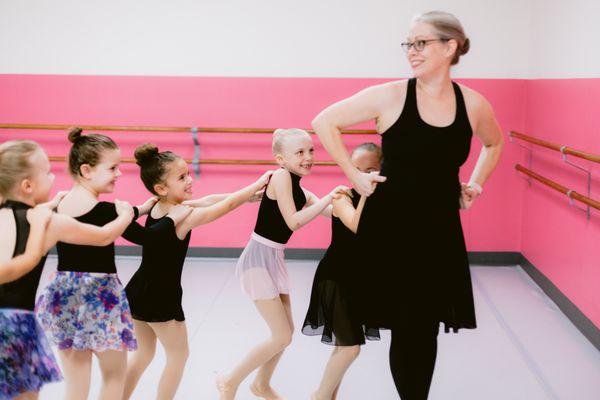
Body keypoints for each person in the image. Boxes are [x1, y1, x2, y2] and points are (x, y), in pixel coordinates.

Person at [311, 11, 504, 399]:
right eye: (408, 44)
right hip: (391, 230)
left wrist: (476, 184)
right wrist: (354, 174)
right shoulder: (392, 95)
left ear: (450, 47)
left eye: (421, 43)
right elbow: (324, 121)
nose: (411, 52)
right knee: (406, 323)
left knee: (424, 327)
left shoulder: (473, 104)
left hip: (439, 230)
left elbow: (494, 142)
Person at [123, 143, 272, 400]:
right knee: (178, 356)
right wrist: (255, 185)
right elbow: (219, 208)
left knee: (144, 354)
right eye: (181, 177)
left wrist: (245, 196)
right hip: (161, 296)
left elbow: (208, 200)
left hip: (138, 291)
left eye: (188, 173)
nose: (189, 180)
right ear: (161, 188)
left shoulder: (161, 207)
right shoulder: (184, 216)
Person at [216, 128, 348, 400]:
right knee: (281, 336)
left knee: (285, 333)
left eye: (311, 150)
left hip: (273, 258)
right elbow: (294, 221)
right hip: (257, 258)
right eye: (299, 152)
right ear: (281, 159)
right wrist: (329, 195)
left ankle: (261, 384)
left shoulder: (299, 187)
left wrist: (359, 199)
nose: (308, 157)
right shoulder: (281, 177)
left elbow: (333, 213)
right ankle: (230, 380)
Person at [0, 139, 135, 400]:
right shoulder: (48, 222)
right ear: (27, 186)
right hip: (16, 326)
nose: (53, 179)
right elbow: (104, 236)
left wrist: (48, 206)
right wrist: (125, 216)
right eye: (48, 173)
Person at [34, 128, 157, 400]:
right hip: (101, 299)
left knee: (76, 387)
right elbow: (142, 236)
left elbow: (113, 215)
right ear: (87, 170)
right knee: (114, 377)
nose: (119, 173)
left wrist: (139, 209)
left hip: (64, 295)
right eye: (113, 167)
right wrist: (172, 216)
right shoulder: (108, 212)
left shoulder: (58, 206)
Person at [302, 143, 383, 400]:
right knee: (350, 349)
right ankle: (319, 397)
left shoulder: (386, 198)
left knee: (344, 346)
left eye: (370, 170)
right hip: (336, 278)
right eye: (357, 170)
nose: (363, 176)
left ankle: (327, 397)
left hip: (360, 281)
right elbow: (358, 225)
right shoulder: (342, 198)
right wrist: (369, 193)